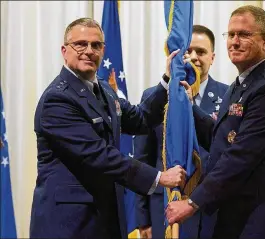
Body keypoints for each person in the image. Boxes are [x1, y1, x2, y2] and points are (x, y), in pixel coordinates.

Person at [29, 18, 187, 239]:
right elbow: (98, 155)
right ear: (64, 51)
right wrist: (159, 177)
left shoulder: (103, 88)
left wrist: (167, 79)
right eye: (80, 44)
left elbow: (140, 119)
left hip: (105, 217)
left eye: (96, 45)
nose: (89, 51)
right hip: (68, 223)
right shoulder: (57, 99)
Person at [166, 5, 265, 239]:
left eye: (244, 35)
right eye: (231, 34)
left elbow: (240, 157)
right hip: (230, 216)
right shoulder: (241, 84)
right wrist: (188, 106)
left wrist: (192, 202)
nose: (234, 42)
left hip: (255, 220)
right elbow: (220, 139)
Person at [134, 25, 228, 239]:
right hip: (165, 208)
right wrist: (143, 220)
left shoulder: (228, 97)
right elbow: (142, 159)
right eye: (189, 51)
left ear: (212, 57)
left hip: (211, 211)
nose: (194, 57)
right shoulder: (156, 96)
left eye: (201, 52)